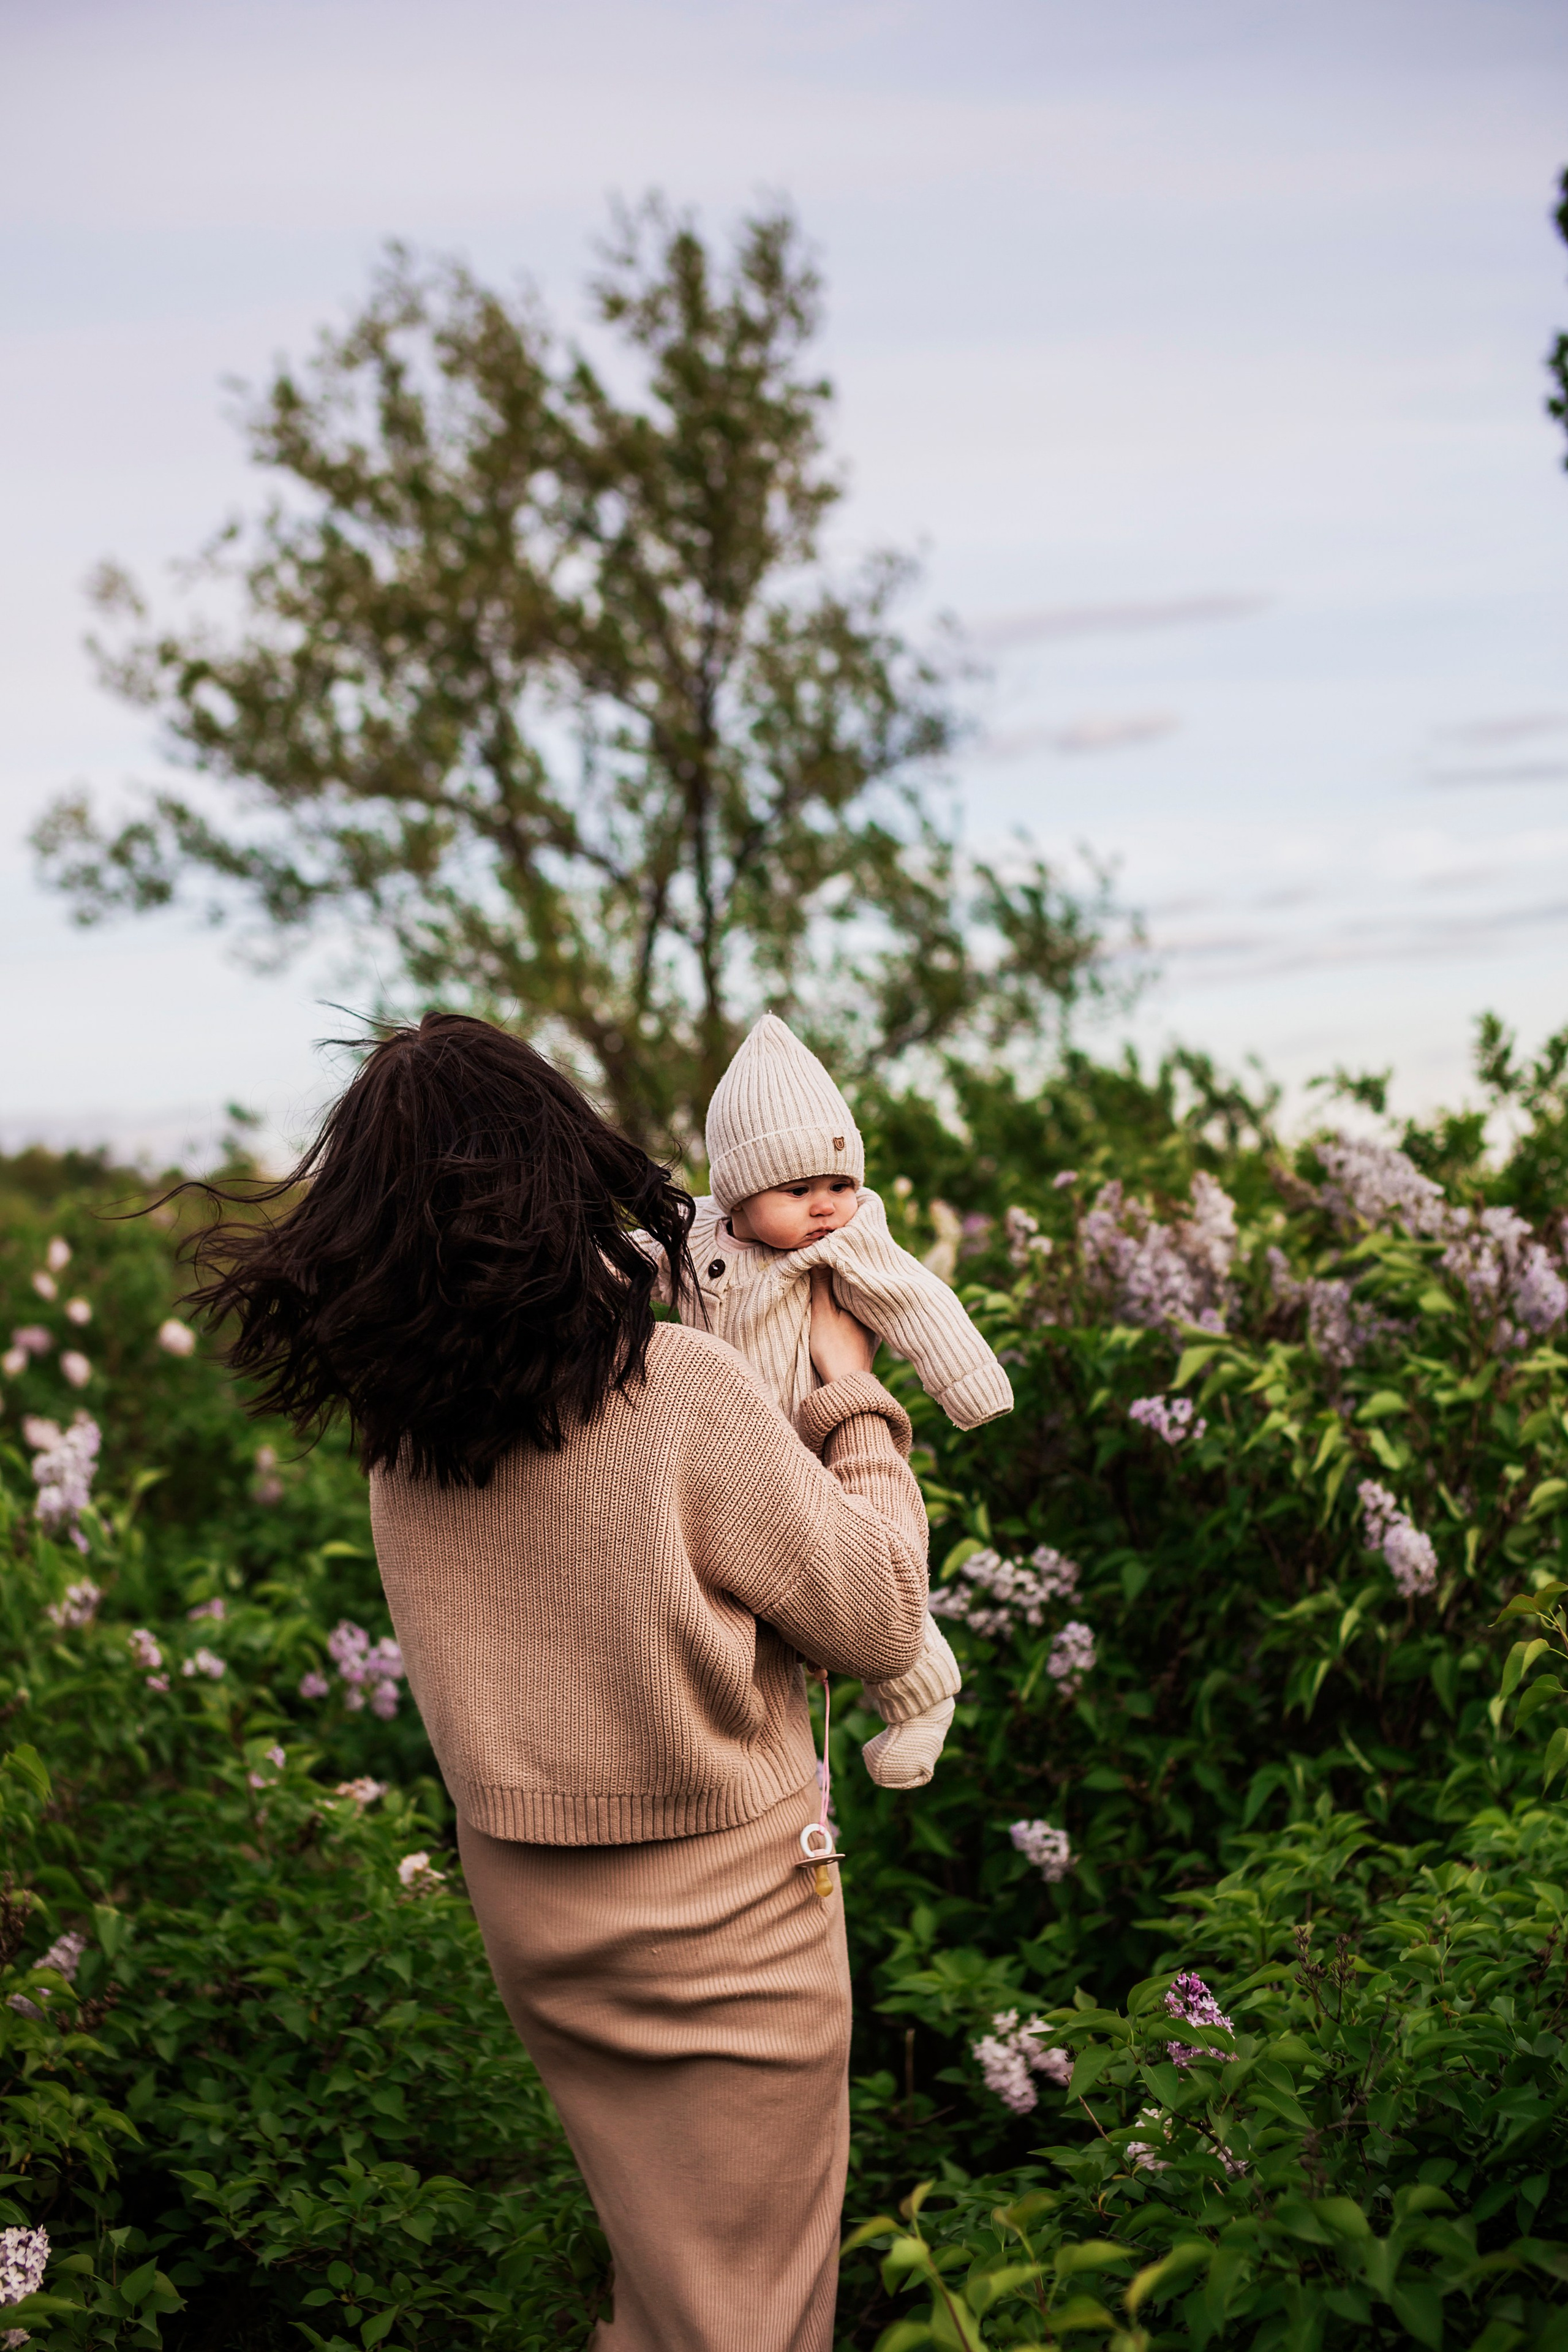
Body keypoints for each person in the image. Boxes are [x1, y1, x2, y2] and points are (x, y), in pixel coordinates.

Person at [186, 1011, 930, 2352]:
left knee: (669, 2290)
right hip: (724, 1924)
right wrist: (851, 1399)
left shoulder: (403, 1429)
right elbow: (877, 1615)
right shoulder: (679, 1389)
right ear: (553, 1172)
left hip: (536, 1909)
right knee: (749, 2317)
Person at [643, 1011, 1015, 1789]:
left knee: (856, 1580)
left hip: (807, 1443)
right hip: (717, 1449)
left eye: (841, 1184)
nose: (825, 1205)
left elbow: (918, 1302)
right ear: (738, 1197)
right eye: (799, 1189)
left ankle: (919, 1696)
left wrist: (972, 1388)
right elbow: (629, 1265)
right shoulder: (696, 1238)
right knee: (766, 1595)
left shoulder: (846, 1242)